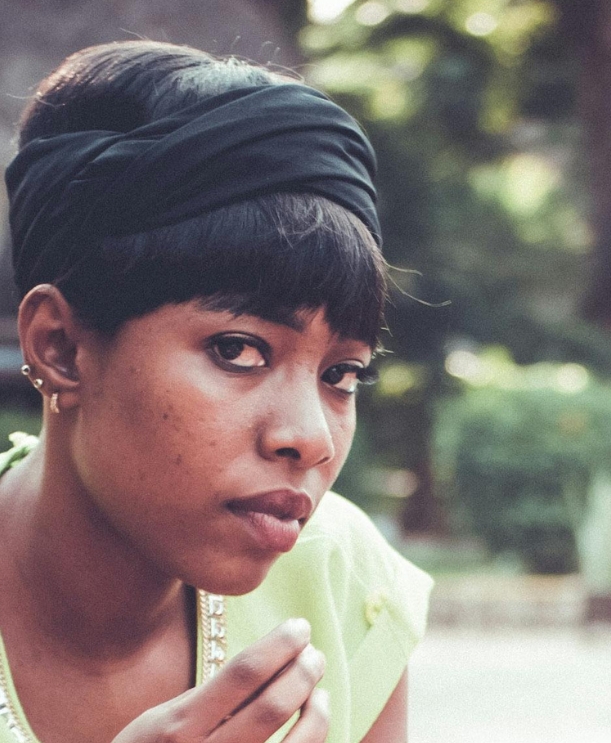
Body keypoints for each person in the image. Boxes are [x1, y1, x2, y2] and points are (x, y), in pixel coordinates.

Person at [0, 40, 432, 742]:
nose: (311, 438)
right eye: (238, 350)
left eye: (340, 375)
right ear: (61, 347)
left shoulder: (338, 578)